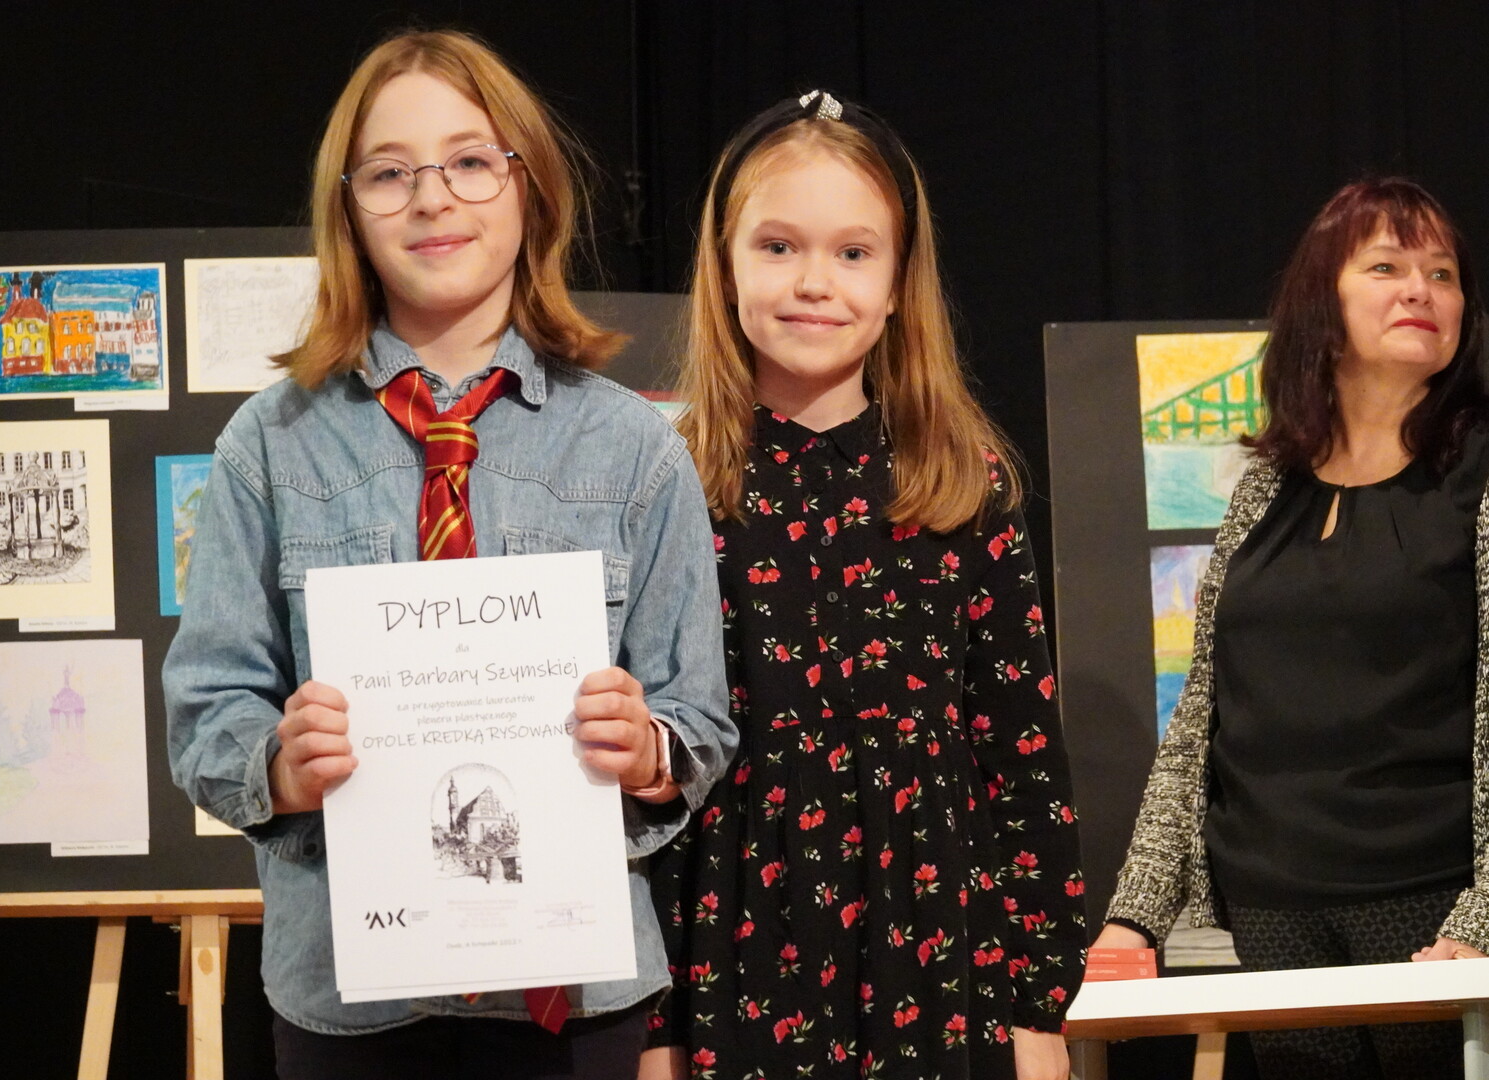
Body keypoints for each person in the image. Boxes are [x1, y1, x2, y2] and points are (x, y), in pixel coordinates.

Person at [163, 29, 735, 1080]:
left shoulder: (634, 447)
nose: (432, 198)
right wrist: (280, 765)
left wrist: (646, 749)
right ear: (348, 211)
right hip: (349, 999)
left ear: (531, 189)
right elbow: (206, 713)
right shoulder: (270, 445)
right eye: (390, 173)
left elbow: (697, 720)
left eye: (470, 161)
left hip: (573, 1003)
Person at [641, 90, 1087, 1080]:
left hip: (940, 953)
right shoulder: (671, 486)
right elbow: (652, 780)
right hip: (739, 950)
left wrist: (1038, 1004)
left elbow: (1021, 756)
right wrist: (657, 1022)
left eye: (852, 252)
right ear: (724, 265)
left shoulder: (964, 484)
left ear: (896, 283)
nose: (814, 282)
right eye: (777, 247)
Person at [1097, 177, 1489, 1079]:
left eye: (1442, 273)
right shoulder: (1265, 487)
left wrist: (1480, 921)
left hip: (1430, 905)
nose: (1420, 290)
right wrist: (1133, 916)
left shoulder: (1477, 473)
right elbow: (1199, 719)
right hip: (1270, 909)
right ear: (1322, 299)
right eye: (1386, 267)